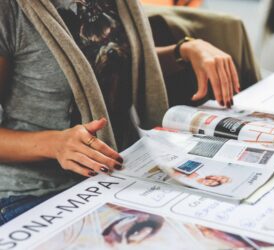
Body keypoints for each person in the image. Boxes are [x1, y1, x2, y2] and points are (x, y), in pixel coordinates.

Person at [0, 0, 241, 226]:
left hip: (121, 171)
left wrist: (185, 51)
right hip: (35, 194)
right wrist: (55, 144)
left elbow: (113, 64)